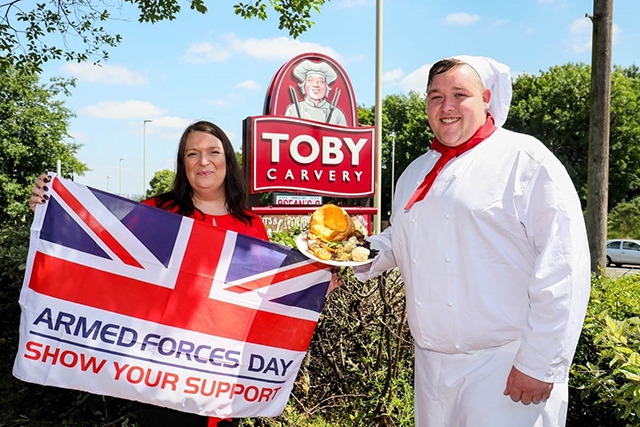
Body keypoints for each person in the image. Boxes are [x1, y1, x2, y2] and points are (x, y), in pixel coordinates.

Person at [353, 56, 590, 426]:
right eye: (435, 96)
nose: (446, 107)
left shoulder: (526, 160)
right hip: (432, 371)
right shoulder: (415, 171)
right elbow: (401, 239)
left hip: (506, 367)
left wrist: (540, 363)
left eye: (459, 94)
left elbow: (565, 265)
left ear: (486, 99)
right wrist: (349, 254)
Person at [29, 120, 267, 427]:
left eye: (213, 152)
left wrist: (312, 290)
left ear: (228, 160)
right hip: (162, 377)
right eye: (192, 154)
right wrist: (51, 213)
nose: (203, 161)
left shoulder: (251, 225)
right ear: (183, 164)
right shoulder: (160, 212)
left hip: (222, 380)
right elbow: (101, 250)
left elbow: (266, 296)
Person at [284, 59, 348, 126]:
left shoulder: (337, 113)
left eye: (320, 81)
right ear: (303, 85)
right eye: (310, 80)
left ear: (326, 87)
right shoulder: (293, 110)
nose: (315, 85)